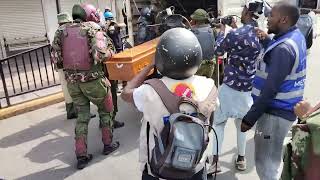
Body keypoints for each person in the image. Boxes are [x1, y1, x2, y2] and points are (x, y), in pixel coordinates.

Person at [121, 28, 217, 180]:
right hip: (195, 167)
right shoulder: (209, 86)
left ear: (161, 59)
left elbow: (126, 93)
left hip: (159, 170)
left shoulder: (149, 91)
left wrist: (150, 65)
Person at [240, 2, 307, 180]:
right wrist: (267, 40)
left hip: (274, 115)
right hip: (284, 111)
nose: (267, 19)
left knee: (266, 166)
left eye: (271, 16)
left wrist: (249, 118)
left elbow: (270, 90)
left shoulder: (283, 49)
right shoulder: (295, 36)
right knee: (273, 161)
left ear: (283, 19)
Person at [52, 3, 120, 169]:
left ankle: (81, 155)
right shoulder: (93, 29)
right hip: (94, 81)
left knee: (82, 116)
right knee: (106, 110)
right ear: (91, 15)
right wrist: (112, 52)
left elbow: (56, 60)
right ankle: (108, 144)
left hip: (73, 83)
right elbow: (102, 55)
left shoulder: (61, 31)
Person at [207, 0, 263, 173]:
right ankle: (241, 159)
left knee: (219, 123)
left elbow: (217, 51)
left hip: (230, 87)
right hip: (247, 89)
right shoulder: (261, 35)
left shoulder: (235, 34)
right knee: (241, 125)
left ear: (246, 12)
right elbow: (246, 40)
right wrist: (236, 27)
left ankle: (215, 162)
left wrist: (223, 31)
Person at [51, 13, 97, 120]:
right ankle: (82, 112)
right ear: (69, 20)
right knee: (78, 89)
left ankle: (70, 111)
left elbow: (55, 49)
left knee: (67, 90)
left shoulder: (58, 31)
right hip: (72, 64)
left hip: (61, 65)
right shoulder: (69, 30)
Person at [103, 11, 125, 129]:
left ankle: (105, 121)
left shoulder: (98, 30)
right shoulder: (110, 28)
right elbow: (116, 45)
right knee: (111, 92)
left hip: (102, 67)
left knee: (106, 94)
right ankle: (111, 120)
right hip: (110, 64)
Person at [190, 9, 216, 79]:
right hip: (210, 65)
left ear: (195, 20)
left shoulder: (191, 32)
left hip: (197, 66)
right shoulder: (212, 30)